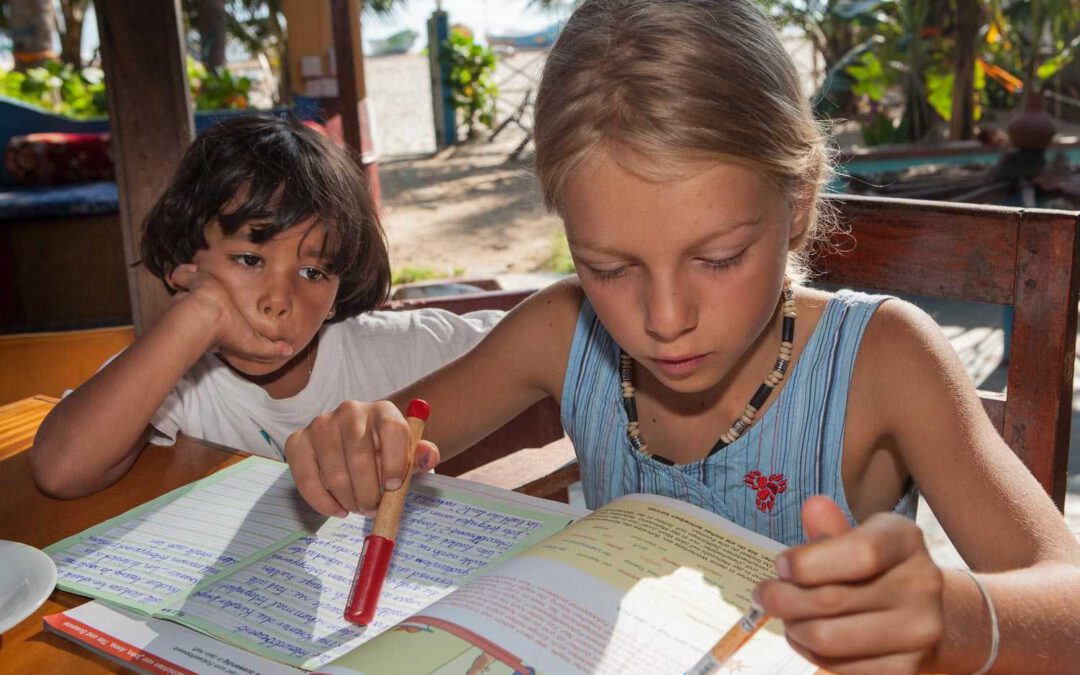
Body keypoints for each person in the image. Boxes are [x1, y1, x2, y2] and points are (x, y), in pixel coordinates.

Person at [284, 1, 1080, 672]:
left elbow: (1069, 596)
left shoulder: (884, 360)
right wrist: (353, 444)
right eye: (608, 267)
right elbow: (387, 436)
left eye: (719, 257)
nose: (664, 318)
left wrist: (952, 615)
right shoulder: (562, 330)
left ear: (798, 203)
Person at [31, 115, 499, 503]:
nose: (278, 301)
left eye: (313, 272)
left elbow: (536, 340)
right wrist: (198, 315)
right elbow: (61, 469)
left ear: (339, 290)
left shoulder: (393, 347)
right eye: (249, 260)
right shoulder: (176, 375)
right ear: (188, 264)